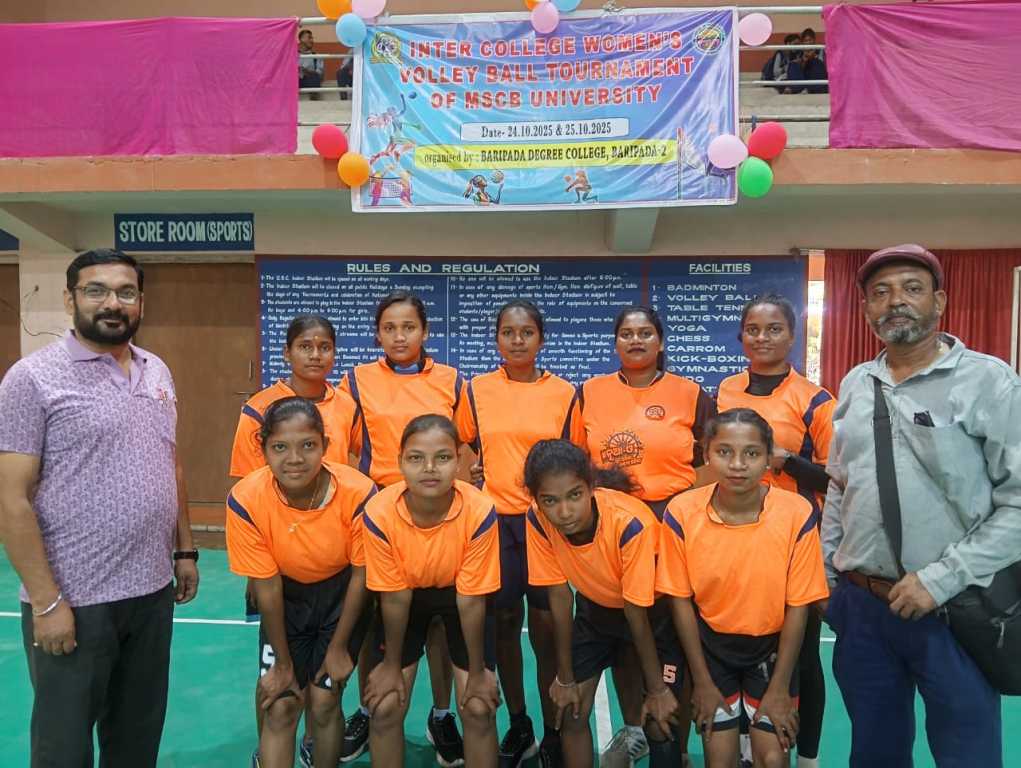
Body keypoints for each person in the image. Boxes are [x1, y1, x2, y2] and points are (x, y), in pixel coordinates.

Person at [822, 244, 1021, 768]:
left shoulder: (988, 381)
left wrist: (940, 580)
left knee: (967, 755)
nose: (896, 301)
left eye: (912, 289)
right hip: (864, 609)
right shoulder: (856, 383)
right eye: (881, 292)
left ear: (940, 302)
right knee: (874, 752)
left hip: (957, 609)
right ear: (865, 309)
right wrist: (829, 577)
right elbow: (840, 485)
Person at [0, 248, 199, 768]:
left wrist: (184, 550)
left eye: (126, 292)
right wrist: (47, 603)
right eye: (96, 291)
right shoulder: (33, 378)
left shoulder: (157, 370)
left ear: (141, 302)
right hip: (75, 599)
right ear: (70, 300)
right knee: (64, 749)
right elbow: (10, 499)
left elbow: (170, 462)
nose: (112, 303)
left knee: (136, 741)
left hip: (150, 594)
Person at [339, 290, 472, 765]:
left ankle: (441, 715)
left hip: (438, 510)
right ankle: (366, 707)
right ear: (378, 334)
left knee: (438, 619)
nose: (399, 336)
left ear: (425, 331)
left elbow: (464, 444)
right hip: (380, 515)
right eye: (389, 328)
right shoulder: (356, 381)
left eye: (409, 327)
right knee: (377, 616)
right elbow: (350, 444)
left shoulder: (452, 381)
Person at [578, 304, 715, 765]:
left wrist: (684, 511)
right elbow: (576, 461)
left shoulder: (691, 393)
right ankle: (636, 728)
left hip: (672, 532)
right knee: (623, 635)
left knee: (672, 637)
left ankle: (675, 743)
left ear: (660, 341)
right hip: (610, 530)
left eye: (645, 333)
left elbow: (711, 460)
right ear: (615, 342)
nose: (635, 341)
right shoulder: (590, 392)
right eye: (627, 334)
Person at [658, 408, 828, 768]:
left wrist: (779, 688)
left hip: (771, 651)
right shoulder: (681, 512)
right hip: (711, 649)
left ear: (769, 458)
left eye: (751, 453)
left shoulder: (796, 512)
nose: (737, 464)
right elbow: (680, 602)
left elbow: (798, 606)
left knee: (773, 758)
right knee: (719, 760)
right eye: (724, 452)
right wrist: (701, 681)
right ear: (706, 454)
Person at [455, 300, 584, 767]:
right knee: (505, 624)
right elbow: (466, 441)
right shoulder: (476, 390)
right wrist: (479, 472)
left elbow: (573, 456)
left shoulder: (565, 393)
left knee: (548, 630)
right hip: (497, 524)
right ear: (497, 339)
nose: (517, 340)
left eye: (526, 332)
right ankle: (520, 721)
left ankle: (553, 730)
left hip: (546, 523)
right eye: (507, 332)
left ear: (540, 339)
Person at [230, 313, 357, 767]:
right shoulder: (259, 409)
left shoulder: (347, 406)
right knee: (280, 695)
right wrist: (256, 569)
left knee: (324, 700)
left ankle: (313, 744)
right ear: (286, 352)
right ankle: (268, 748)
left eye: (324, 346)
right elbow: (250, 483)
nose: (315, 355)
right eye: (305, 346)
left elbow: (353, 461)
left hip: (335, 558)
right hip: (277, 560)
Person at [717, 294, 834, 768]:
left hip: (792, 542)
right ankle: (749, 744)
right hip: (729, 535)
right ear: (741, 336)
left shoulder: (816, 400)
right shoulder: (726, 390)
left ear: (792, 335)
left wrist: (786, 461)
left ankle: (807, 756)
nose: (762, 338)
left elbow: (837, 477)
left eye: (773, 329)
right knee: (741, 642)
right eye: (753, 329)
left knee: (801, 652)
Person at [523, 439, 685, 768]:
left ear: (591, 487)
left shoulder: (629, 524)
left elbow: (636, 612)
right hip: (596, 610)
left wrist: (656, 690)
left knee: (661, 722)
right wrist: (565, 678)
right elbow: (560, 596)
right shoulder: (538, 520)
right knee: (571, 710)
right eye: (550, 500)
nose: (564, 512)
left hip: (654, 616)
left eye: (574, 495)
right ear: (536, 499)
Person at [361, 414, 501, 768]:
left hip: (460, 598)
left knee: (479, 707)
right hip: (404, 601)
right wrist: (390, 665)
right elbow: (395, 597)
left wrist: (478, 672)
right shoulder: (378, 512)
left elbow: (470, 600)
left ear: (459, 460)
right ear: (399, 462)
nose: (429, 468)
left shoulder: (480, 510)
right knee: (385, 706)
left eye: (442, 457)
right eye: (416, 458)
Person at [786, 29, 827, 94]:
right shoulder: (800, 51)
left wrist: (812, 58)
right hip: (804, 74)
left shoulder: (820, 50)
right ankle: (794, 87)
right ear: (803, 42)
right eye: (805, 40)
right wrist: (803, 61)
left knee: (816, 63)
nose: (808, 42)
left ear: (814, 40)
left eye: (810, 40)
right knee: (793, 64)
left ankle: (808, 89)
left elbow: (823, 66)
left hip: (816, 76)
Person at [298, 29, 324, 101]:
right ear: (301, 39)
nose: (312, 40)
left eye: (312, 38)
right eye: (309, 38)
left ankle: (314, 100)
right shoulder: (292, 55)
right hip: (295, 81)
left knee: (315, 76)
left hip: (309, 81)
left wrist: (307, 72)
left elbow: (320, 75)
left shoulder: (316, 56)